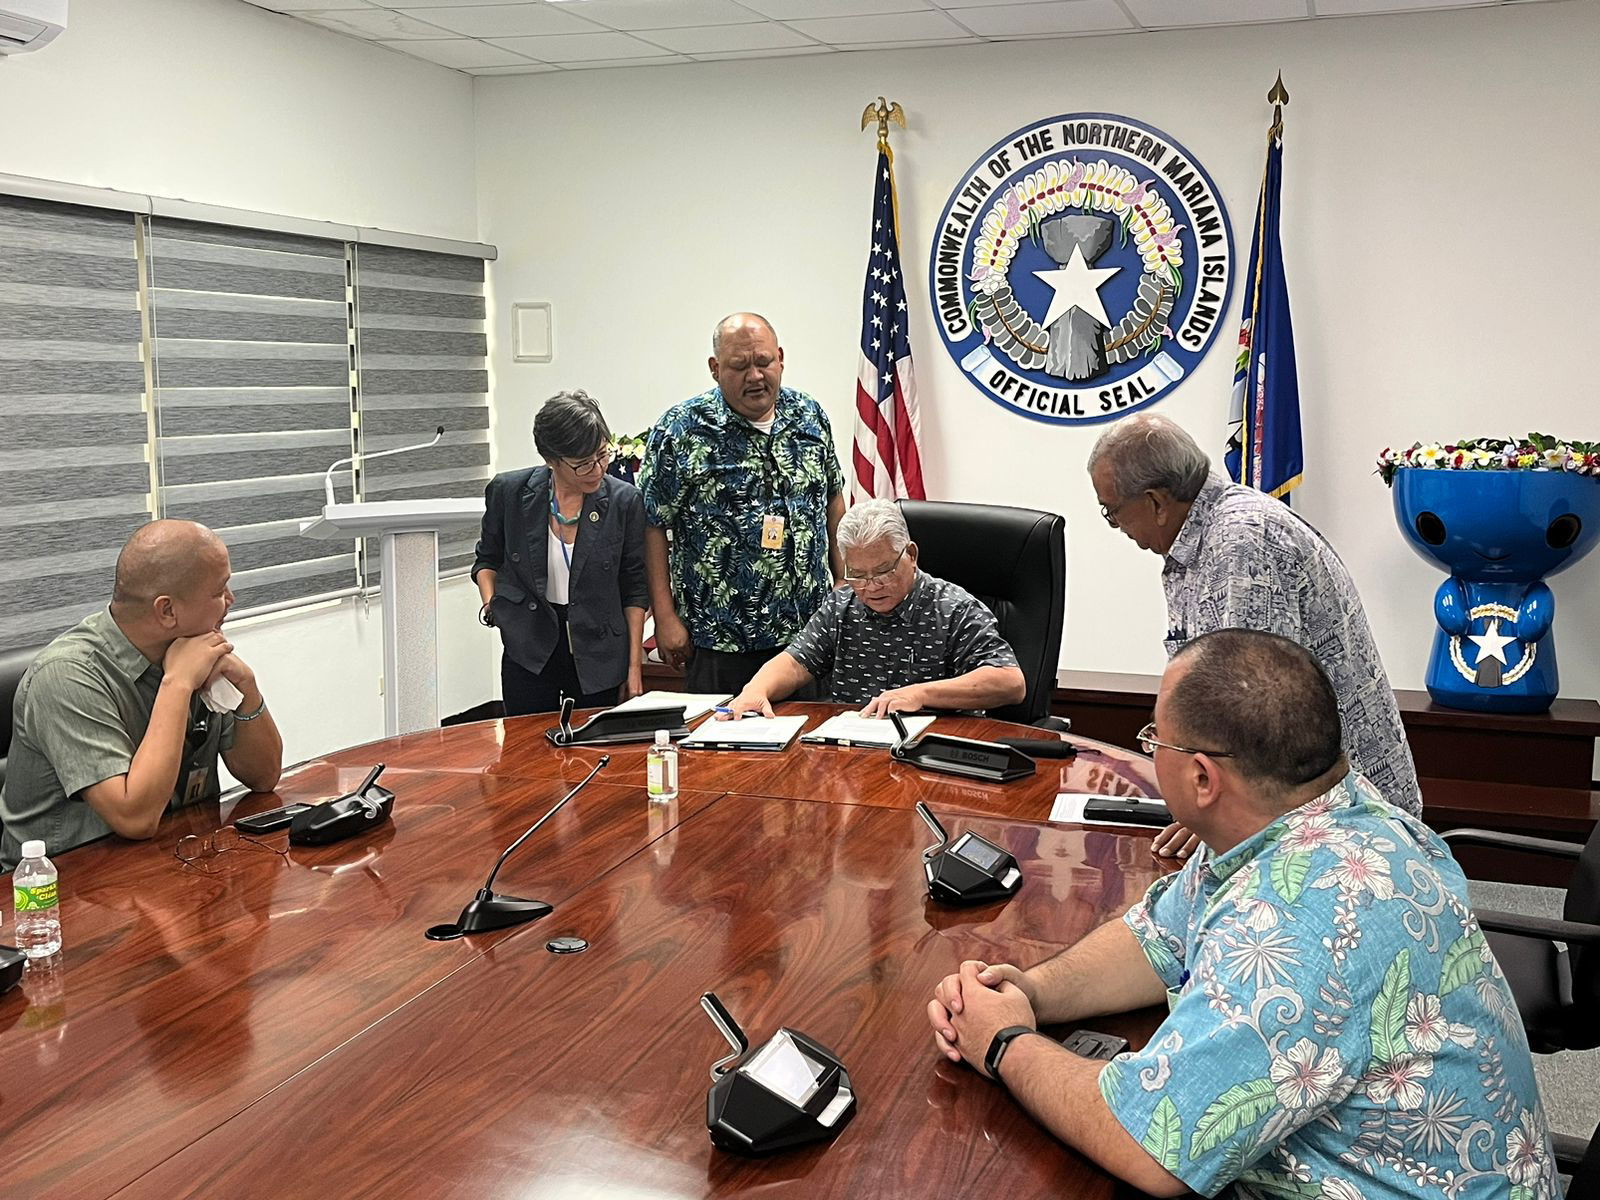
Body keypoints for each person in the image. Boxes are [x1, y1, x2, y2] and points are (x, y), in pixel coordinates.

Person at [927, 629, 1557, 1199]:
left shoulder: (1301, 927)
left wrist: (1004, 1042)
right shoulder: (1318, 817)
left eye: (1154, 740)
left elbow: (1153, 1149)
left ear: (1202, 778)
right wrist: (1030, 993)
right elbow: (1158, 936)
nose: (1148, 749)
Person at [1088, 413, 1420, 858]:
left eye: (1111, 511)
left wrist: (1203, 815)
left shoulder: (1241, 545)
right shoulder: (1208, 534)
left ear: (1156, 502)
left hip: (1348, 832)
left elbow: (1256, 722)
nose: (1116, 526)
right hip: (1302, 810)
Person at [0, 521, 283, 871]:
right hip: (63, 892)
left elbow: (264, 776)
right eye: (219, 590)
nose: (231, 600)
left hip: (174, 863)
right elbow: (134, 818)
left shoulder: (189, 653)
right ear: (167, 611)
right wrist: (177, 685)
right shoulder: (66, 675)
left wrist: (248, 688)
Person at [638, 312, 846, 696]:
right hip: (721, 638)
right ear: (715, 369)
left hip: (808, 635)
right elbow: (652, 525)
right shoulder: (681, 430)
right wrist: (665, 618)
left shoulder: (810, 417)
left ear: (780, 358)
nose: (755, 376)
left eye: (763, 362)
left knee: (811, 751)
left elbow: (834, 498)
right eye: (739, 366)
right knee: (724, 753)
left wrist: (843, 581)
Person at [720, 500, 1025, 718]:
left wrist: (920, 694)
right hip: (853, 751)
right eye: (858, 575)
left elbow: (1009, 682)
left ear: (911, 555)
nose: (871, 586)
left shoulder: (953, 608)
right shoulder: (841, 606)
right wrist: (754, 691)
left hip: (932, 754)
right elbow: (796, 663)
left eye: (883, 572)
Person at [473, 390, 648, 716]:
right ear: (551, 460)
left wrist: (634, 667)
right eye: (583, 464)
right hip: (530, 645)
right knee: (525, 750)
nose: (597, 469)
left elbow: (635, 587)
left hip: (599, 650)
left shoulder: (625, 501)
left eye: (602, 455)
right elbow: (487, 559)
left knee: (597, 748)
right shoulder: (509, 492)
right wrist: (492, 604)